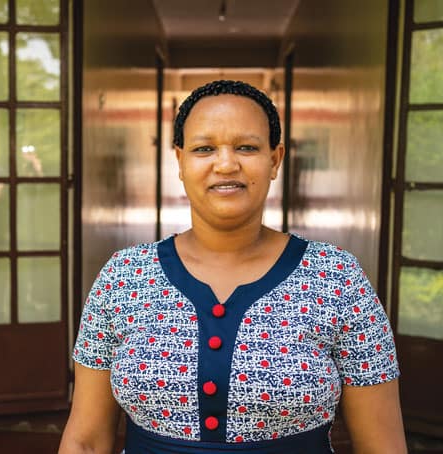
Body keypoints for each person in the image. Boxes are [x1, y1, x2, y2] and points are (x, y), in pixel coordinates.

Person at [59, 80, 407, 453]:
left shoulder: (337, 278)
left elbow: (382, 445)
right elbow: (86, 440)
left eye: (246, 147)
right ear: (180, 161)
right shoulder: (123, 277)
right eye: (204, 148)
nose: (226, 164)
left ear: (275, 160)